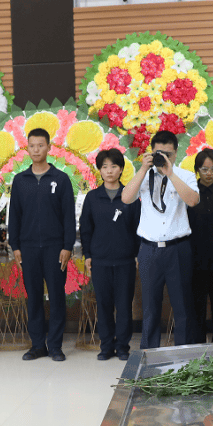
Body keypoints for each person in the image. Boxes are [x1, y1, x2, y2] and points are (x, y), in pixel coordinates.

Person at [121, 129, 200, 349]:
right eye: (158, 153)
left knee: (182, 306)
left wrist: (170, 173)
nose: (163, 157)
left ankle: (184, 356)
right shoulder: (144, 176)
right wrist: (143, 169)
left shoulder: (184, 175)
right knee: (150, 307)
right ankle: (149, 355)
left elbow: (193, 201)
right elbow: (126, 198)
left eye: (167, 154)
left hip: (178, 248)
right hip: (149, 250)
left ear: (176, 153)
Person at [9, 128, 77, 362]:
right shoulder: (20, 180)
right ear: (27, 148)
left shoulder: (61, 179)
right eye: (32, 145)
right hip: (28, 248)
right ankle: (37, 345)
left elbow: (69, 216)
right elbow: (14, 216)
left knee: (57, 297)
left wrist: (67, 246)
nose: (36, 149)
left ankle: (55, 346)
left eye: (40, 145)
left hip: (55, 248)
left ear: (49, 147)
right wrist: (15, 246)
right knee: (34, 297)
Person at [80, 147, 140, 361]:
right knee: (104, 306)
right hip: (100, 261)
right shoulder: (92, 197)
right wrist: (88, 255)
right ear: (100, 170)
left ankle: (122, 347)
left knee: (124, 306)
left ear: (121, 169)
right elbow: (86, 229)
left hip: (125, 260)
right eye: (104, 167)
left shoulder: (130, 197)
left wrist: (137, 254)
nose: (109, 171)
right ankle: (106, 346)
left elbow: (138, 228)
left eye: (114, 166)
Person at [188, 148, 213, 343]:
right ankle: (198, 344)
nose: (209, 174)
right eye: (204, 169)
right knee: (197, 306)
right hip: (195, 260)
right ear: (197, 170)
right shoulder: (190, 193)